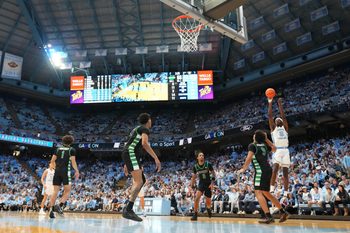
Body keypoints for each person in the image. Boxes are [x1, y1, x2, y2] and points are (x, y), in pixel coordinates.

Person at [238, 130, 289, 224]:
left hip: (260, 171)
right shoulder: (264, 145)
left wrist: (243, 169)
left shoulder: (252, 145)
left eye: (254, 134)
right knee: (266, 193)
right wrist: (266, 139)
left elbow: (248, 158)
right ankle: (283, 212)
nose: (253, 135)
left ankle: (268, 216)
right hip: (268, 170)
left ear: (255, 137)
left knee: (258, 192)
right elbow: (274, 149)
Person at [121, 113, 161, 222]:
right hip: (130, 153)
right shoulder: (144, 129)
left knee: (142, 180)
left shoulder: (136, 129)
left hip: (129, 154)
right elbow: (144, 143)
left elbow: (130, 144)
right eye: (150, 120)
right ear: (148, 120)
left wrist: (126, 163)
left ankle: (128, 208)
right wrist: (156, 158)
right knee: (138, 182)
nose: (151, 122)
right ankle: (128, 209)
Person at [48, 135, 79, 218]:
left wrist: (54, 168)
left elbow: (52, 161)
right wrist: (77, 171)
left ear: (63, 141)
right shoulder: (71, 150)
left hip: (57, 172)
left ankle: (51, 210)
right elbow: (73, 162)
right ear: (71, 142)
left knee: (55, 192)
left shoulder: (57, 149)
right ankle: (59, 205)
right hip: (65, 172)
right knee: (67, 191)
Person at [268, 97, 290, 194]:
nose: (277, 119)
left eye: (279, 119)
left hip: (286, 150)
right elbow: (269, 116)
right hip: (278, 150)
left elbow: (284, 117)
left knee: (285, 173)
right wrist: (270, 102)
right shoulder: (273, 129)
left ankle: (285, 192)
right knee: (275, 169)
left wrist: (280, 105)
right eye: (276, 119)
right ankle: (272, 189)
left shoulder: (285, 128)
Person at [190, 150, 216, 221]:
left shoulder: (208, 164)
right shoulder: (195, 167)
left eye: (203, 155)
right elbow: (194, 177)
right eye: (200, 155)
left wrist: (212, 183)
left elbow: (213, 174)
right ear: (197, 158)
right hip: (201, 183)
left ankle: (208, 208)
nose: (202, 156)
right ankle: (195, 214)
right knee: (196, 198)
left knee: (208, 201)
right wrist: (192, 185)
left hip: (208, 183)